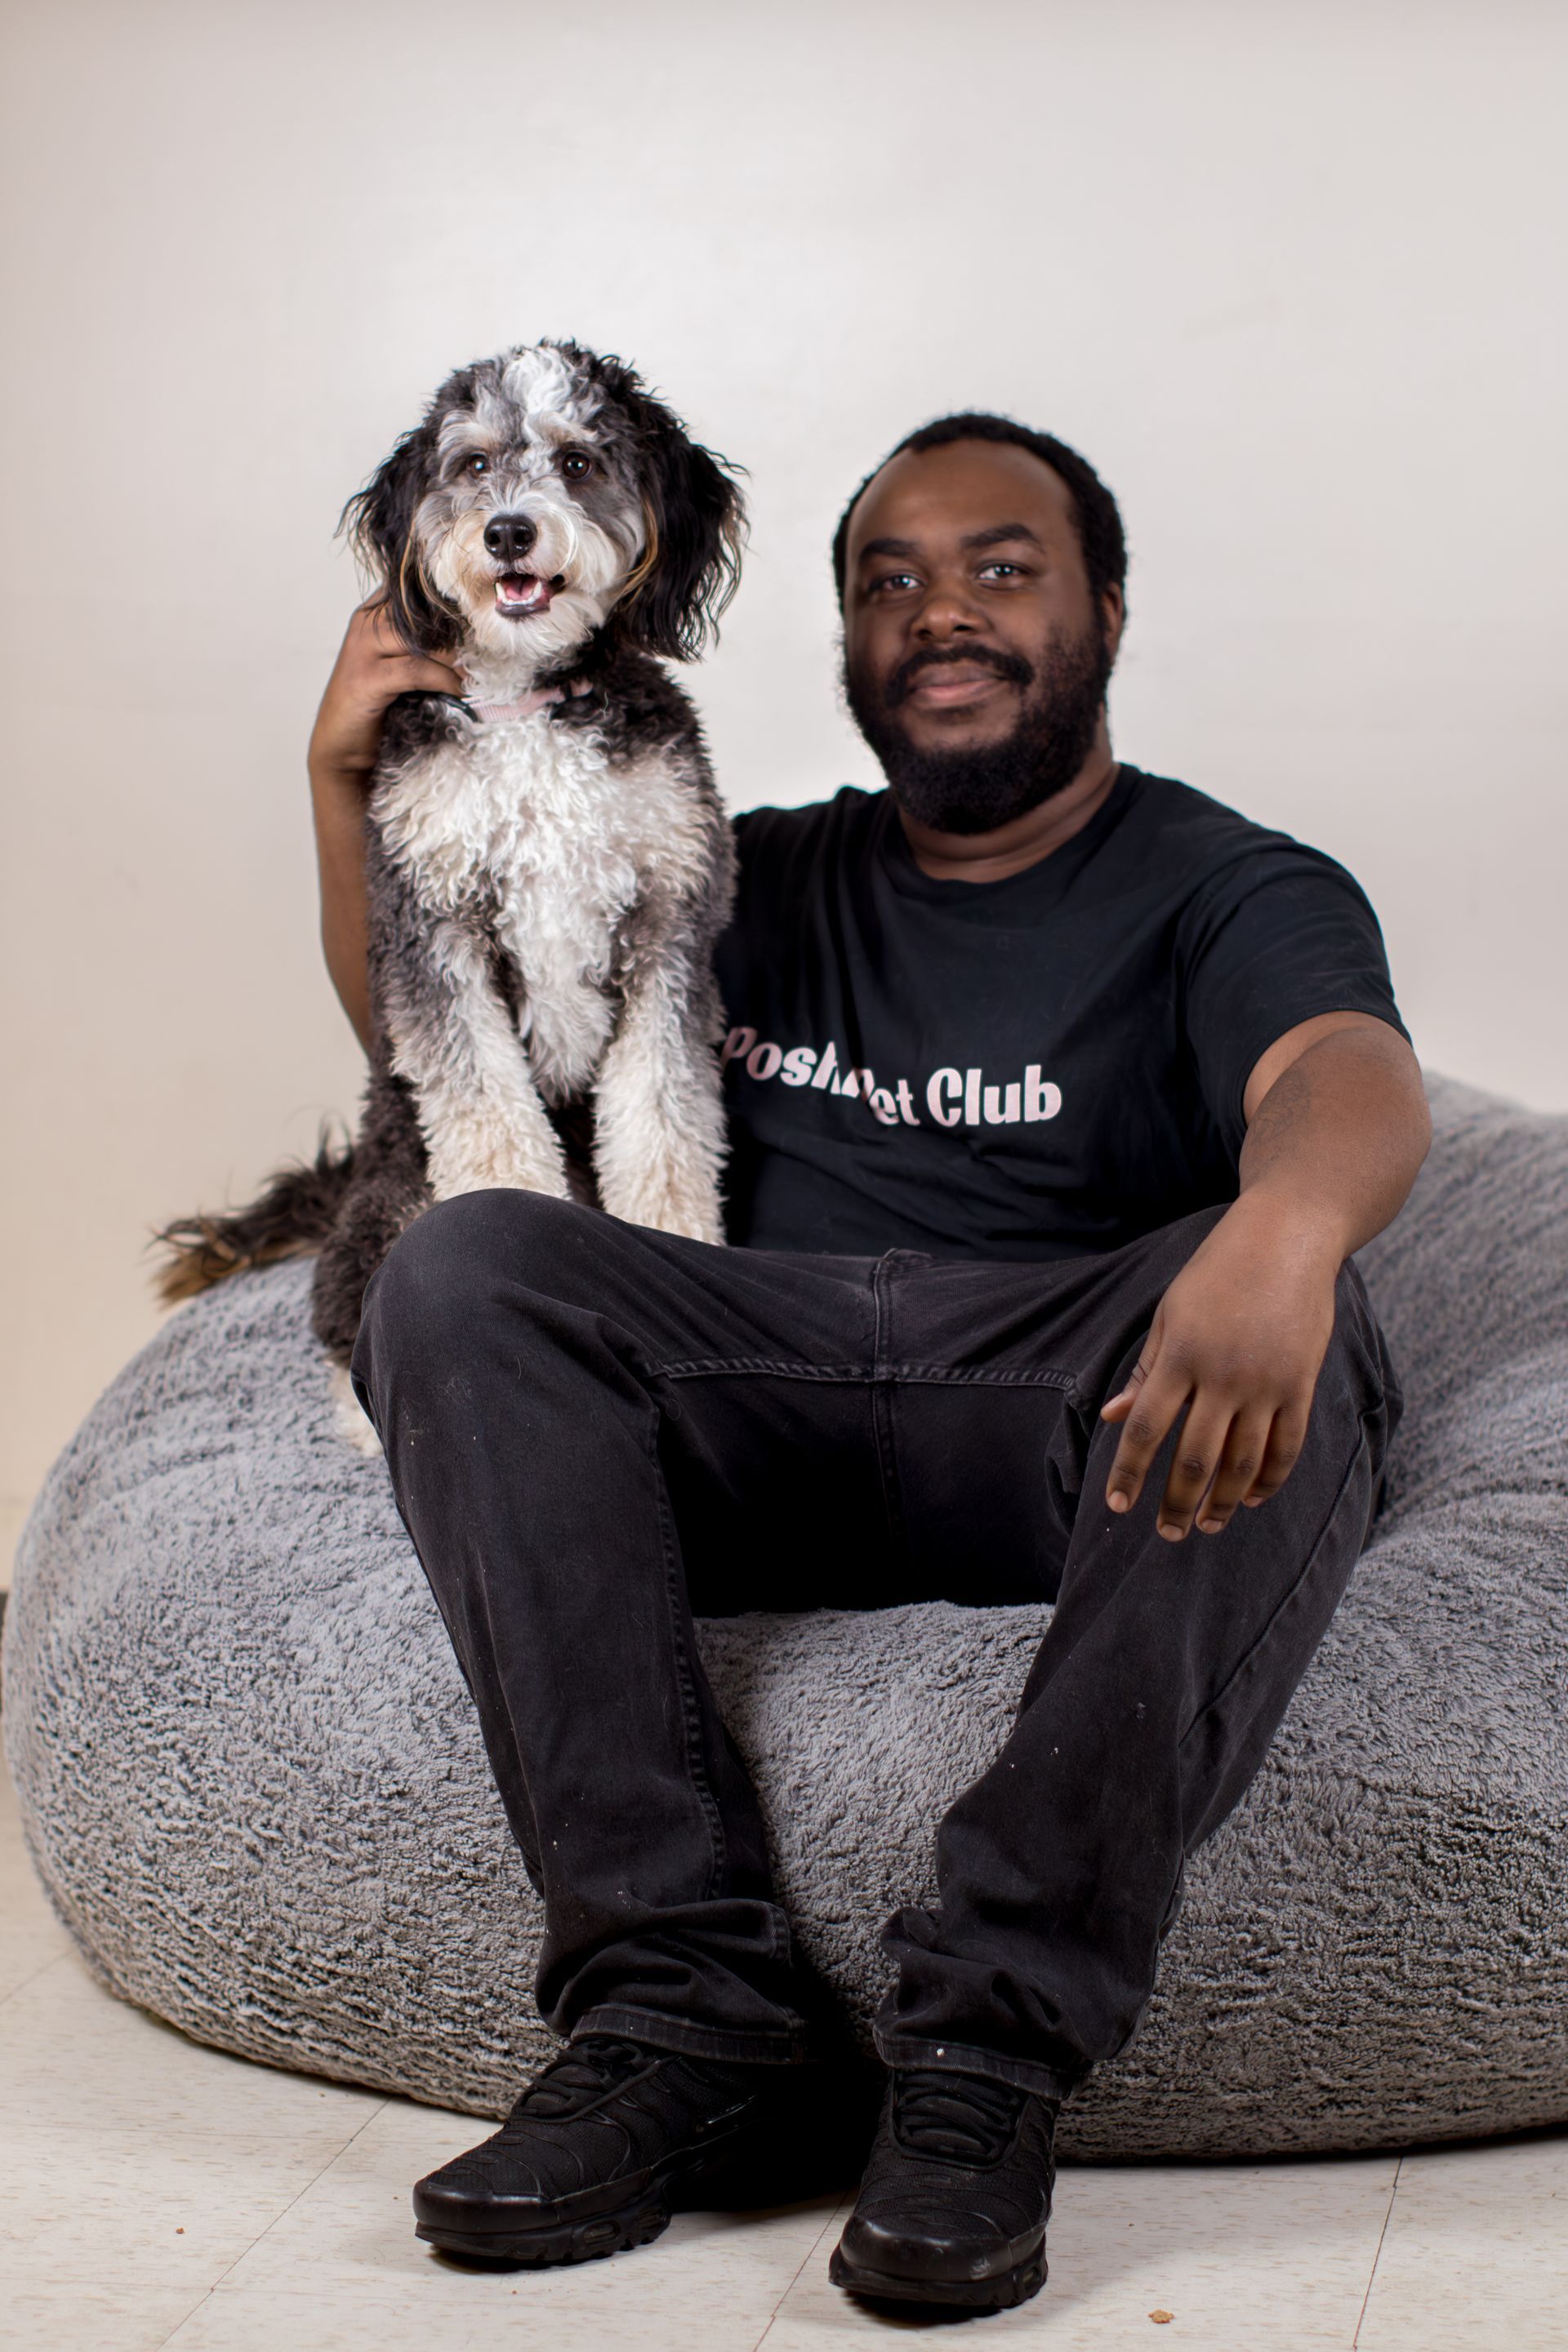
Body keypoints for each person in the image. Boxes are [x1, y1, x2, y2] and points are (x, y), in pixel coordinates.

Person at [308, 412, 1428, 2310]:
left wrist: (1289, 1234)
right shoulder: (754, 865)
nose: (941, 616)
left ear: (1109, 612)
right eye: (888, 582)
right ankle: (682, 2010)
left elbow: (1345, 1078)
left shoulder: (1222, 879)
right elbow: (455, 1017)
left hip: (1069, 1396)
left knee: (1315, 1338)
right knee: (466, 1263)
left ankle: (990, 2044)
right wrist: (338, 781)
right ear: (841, 635)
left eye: (1002, 568)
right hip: (760, 1390)